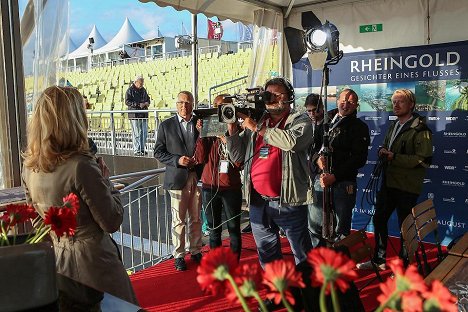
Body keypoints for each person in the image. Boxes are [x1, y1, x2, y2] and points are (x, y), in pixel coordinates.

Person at [22, 86, 137, 307]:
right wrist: (107, 181)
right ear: (72, 118)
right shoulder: (80, 166)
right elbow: (111, 220)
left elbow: (38, 223)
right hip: (94, 265)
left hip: (59, 262)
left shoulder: (29, 167)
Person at [226, 77, 314, 268]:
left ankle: (309, 296)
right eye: (269, 94)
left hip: (288, 201)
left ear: (289, 97)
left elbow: (292, 142)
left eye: (278, 94)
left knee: (302, 254)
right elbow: (237, 157)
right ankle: (278, 295)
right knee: (268, 255)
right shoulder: (258, 121)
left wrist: (258, 128)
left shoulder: (300, 120)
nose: (272, 98)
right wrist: (232, 129)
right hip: (258, 202)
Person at [357, 89, 433, 271]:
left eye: (401, 101)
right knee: (379, 218)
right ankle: (379, 260)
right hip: (388, 183)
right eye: (394, 101)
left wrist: (394, 157)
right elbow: (388, 145)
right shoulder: (394, 125)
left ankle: (405, 267)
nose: (396, 105)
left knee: (405, 227)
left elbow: (423, 160)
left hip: (407, 187)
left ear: (411, 105)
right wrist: (383, 150)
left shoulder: (421, 129)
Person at [308, 89, 370, 247]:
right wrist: (317, 161)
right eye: (343, 100)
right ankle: (318, 261)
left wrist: (334, 176)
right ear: (337, 101)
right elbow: (312, 148)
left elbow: (359, 159)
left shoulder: (359, 127)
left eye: (350, 102)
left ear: (356, 105)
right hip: (320, 180)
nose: (346, 104)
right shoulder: (326, 122)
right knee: (314, 225)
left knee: (340, 230)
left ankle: (338, 265)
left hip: (343, 184)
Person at [154, 91, 204, 271]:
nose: (185, 106)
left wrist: (202, 132)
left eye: (188, 102)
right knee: (178, 220)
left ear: (193, 104)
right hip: (177, 178)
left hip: (196, 176)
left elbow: (207, 144)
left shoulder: (200, 122)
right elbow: (158, 152)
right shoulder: (166, 125)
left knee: (196, 218)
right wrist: (177, 160)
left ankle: (196, 250)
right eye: (181, 102)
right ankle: (179, 255)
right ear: (176, 104)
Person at [194, 95, 243, 259]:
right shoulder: (208, 130)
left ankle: (235, 263)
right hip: (209, 186)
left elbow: (239, 162)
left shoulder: (239, 131)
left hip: (231, 187)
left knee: (234, 227)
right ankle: (215, 265)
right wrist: (202, 134)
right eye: (216, 105)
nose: (218, 108)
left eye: (223, 106)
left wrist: (227, 136)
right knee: (214, 230)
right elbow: (200, 159)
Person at [125, 75, 150, 156]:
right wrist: (138, 104)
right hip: (135, 115)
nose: (142, 84)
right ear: (135, 82)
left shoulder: (143, 90)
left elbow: (148, 99)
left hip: (144, 114)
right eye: (140, 82)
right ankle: (137, 150)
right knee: (136, 133)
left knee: (144, 132)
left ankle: (142, 149)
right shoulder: (130, 90)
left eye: (142, 82)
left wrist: (147, 103)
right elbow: (127, 101)